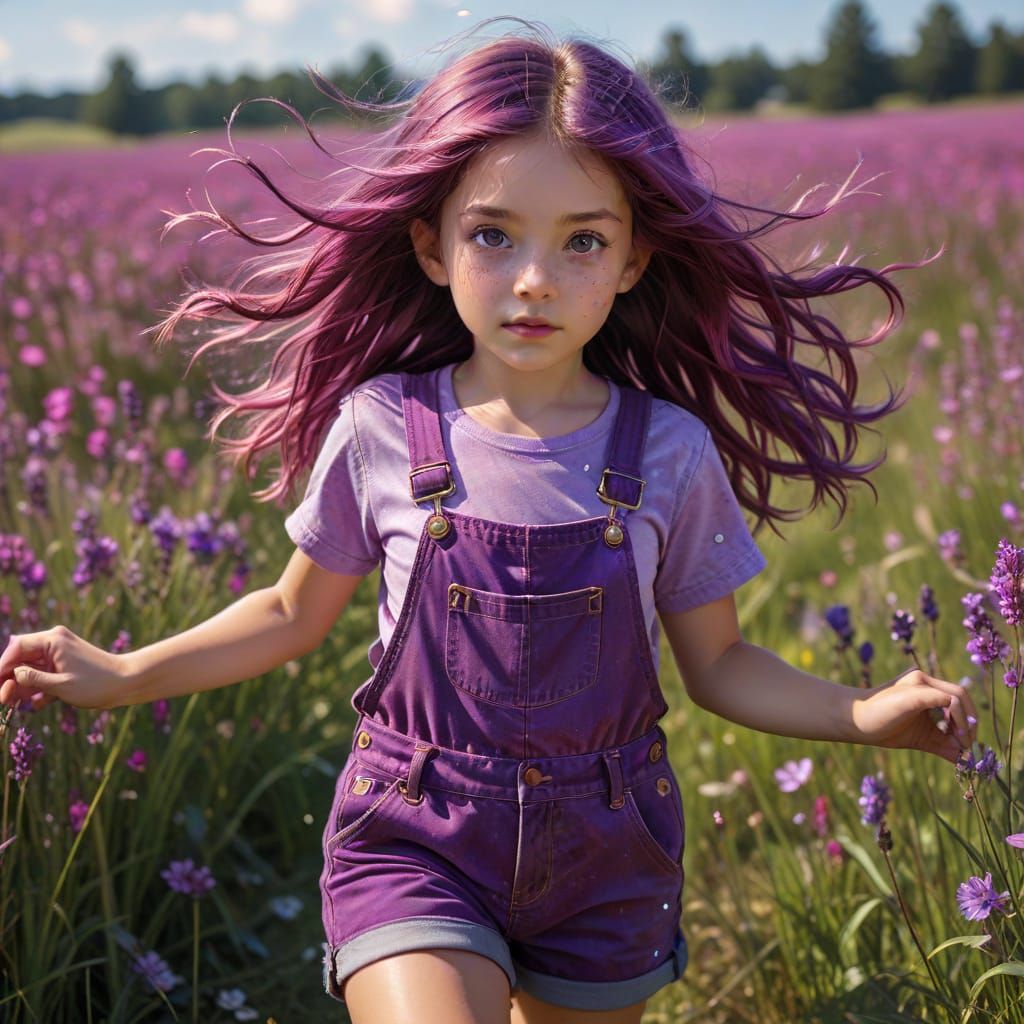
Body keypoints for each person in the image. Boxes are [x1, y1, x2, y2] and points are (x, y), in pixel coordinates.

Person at [0, 19, 978, 1024]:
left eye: (583, 240)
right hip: (413, 833)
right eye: (493, 234)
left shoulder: (669, 452)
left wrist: (860, 713)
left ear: (634, 259)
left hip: (606, 850)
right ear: (431, 245)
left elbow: (720, 664)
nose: (534, 278)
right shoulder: (382, 427)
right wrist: (125, 673)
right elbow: (290, 614)